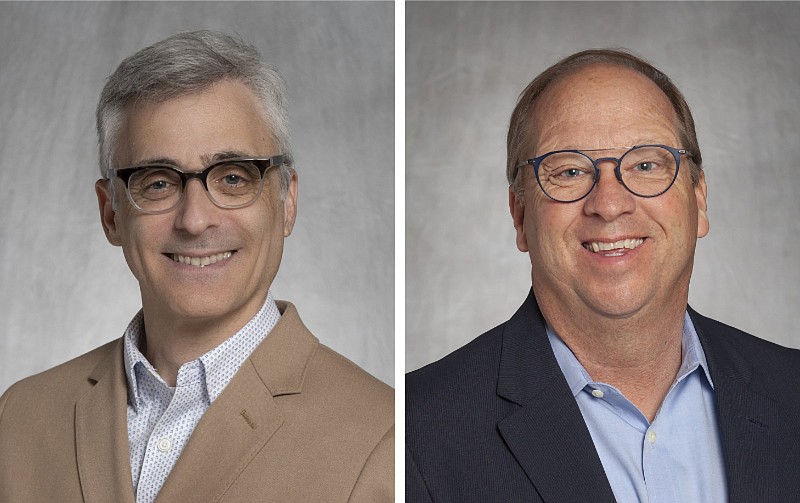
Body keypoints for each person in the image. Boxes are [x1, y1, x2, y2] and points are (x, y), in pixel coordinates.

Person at [0, 30, 393, 502]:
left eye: (232, 177)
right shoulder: (19, 419)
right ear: (111, 214)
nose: (195, 219)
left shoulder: (383, 438)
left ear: (286, 200)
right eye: (158, 182)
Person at [406, 48, 800, 502]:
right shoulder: (417, 433)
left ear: (699, 198)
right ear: (520, 217)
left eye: (646, 165)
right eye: (570, 171)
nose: (610, 204)